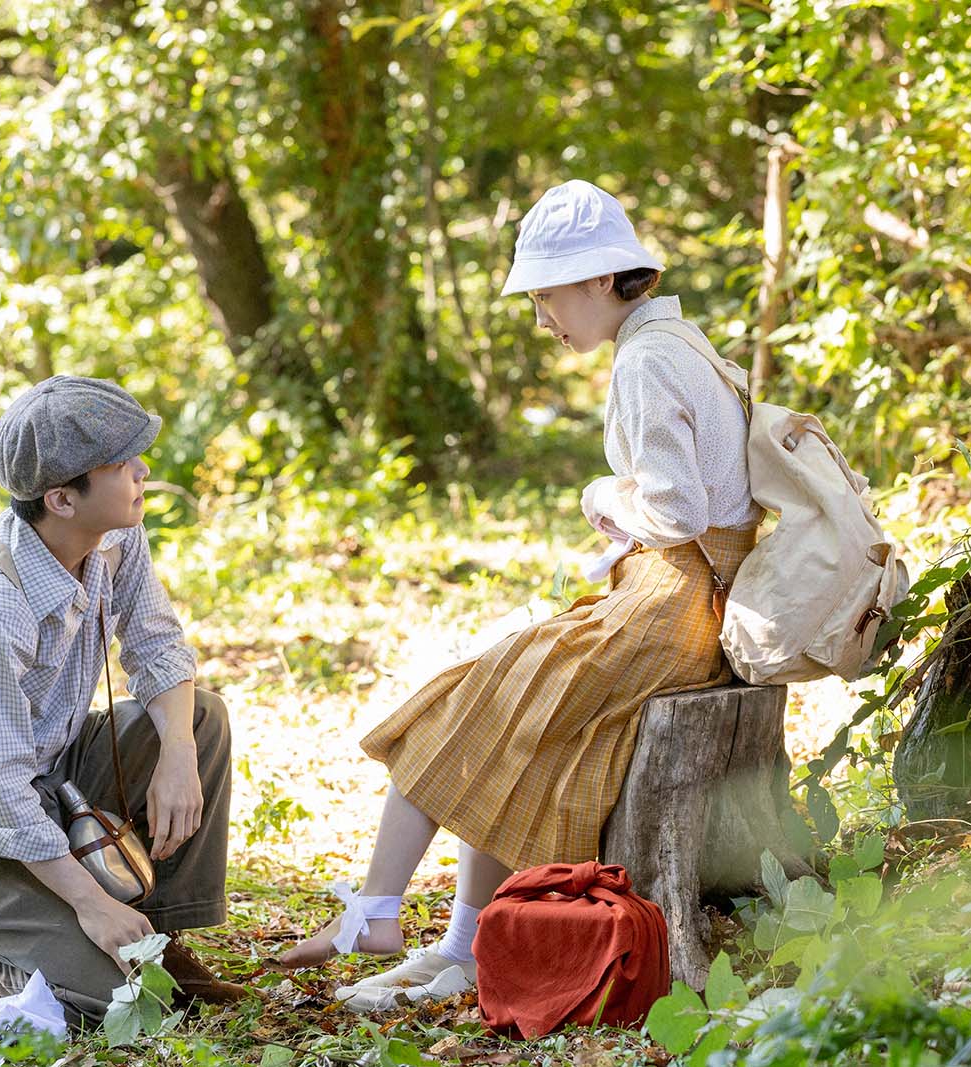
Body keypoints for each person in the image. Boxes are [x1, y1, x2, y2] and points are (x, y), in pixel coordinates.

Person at [278, 179, 762, 1004]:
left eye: (549, 292)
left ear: (604, 279)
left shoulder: (648, 359)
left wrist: (600, 498)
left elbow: (676, 509)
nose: (543, 314)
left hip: (671, 609)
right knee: (489, 692)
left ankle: (385, 913)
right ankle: (452, 938)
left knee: (471, 699)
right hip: (680, 598)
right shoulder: (674, 343)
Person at [0, 375, 248, 1023]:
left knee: (198, 715)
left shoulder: (116, 533)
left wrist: (178, 751)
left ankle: (153, 932)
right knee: (121, 1006)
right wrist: (89, 903)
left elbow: (157, 646)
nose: (142, 469)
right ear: (62, 499)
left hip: (51, 773)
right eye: (123, 463)